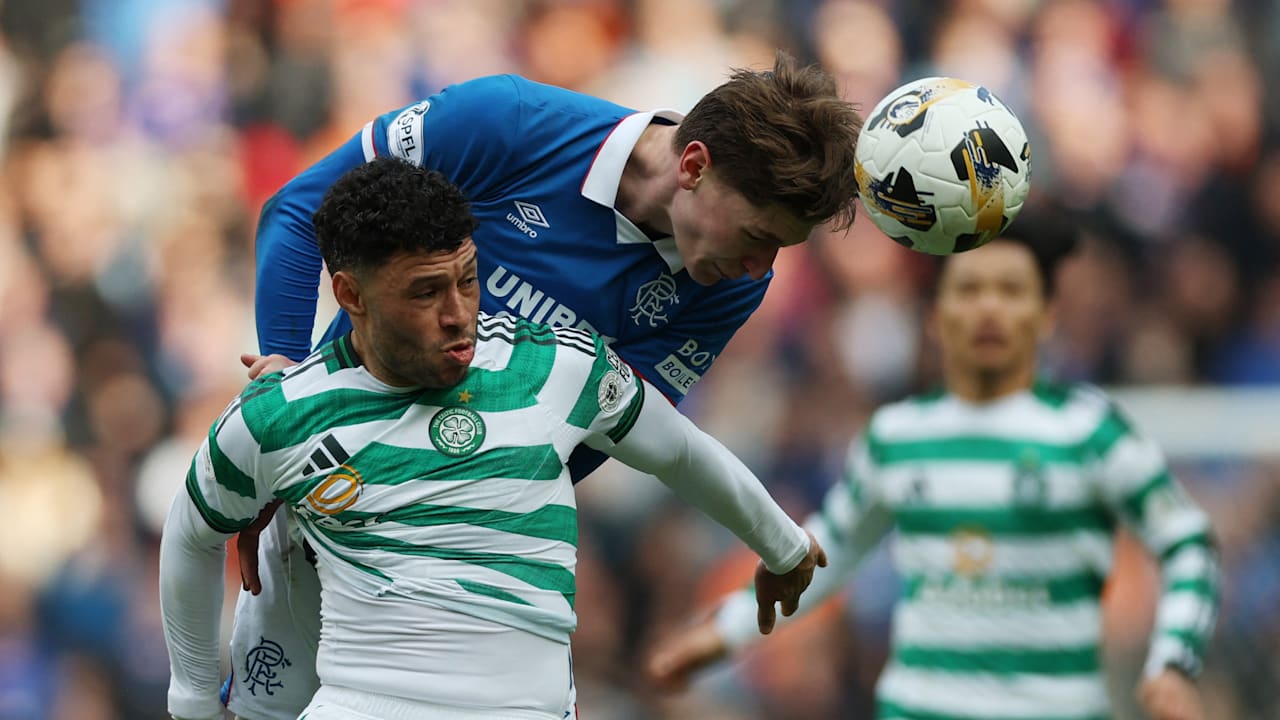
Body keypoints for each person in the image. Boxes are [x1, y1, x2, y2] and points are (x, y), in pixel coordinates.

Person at [228, 50, 862, 720]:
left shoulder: (723, 285)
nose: (760, 268)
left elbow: (608, 431)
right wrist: (286, 395)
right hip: (326, 493)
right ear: (694, 166)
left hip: (471, 555)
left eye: (780, 250)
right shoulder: (508, 122)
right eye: (759, 236)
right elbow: (301, 211)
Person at [648, 221, 1220, 720]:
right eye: (970, 290)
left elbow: (1188, 543)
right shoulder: (896, 437)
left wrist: (1172, 661)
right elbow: (824, 558)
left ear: (1047, 314)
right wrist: (723, 634)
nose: (989, 308)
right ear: (935, 316)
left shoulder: (1092, 432)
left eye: (1011, 290)